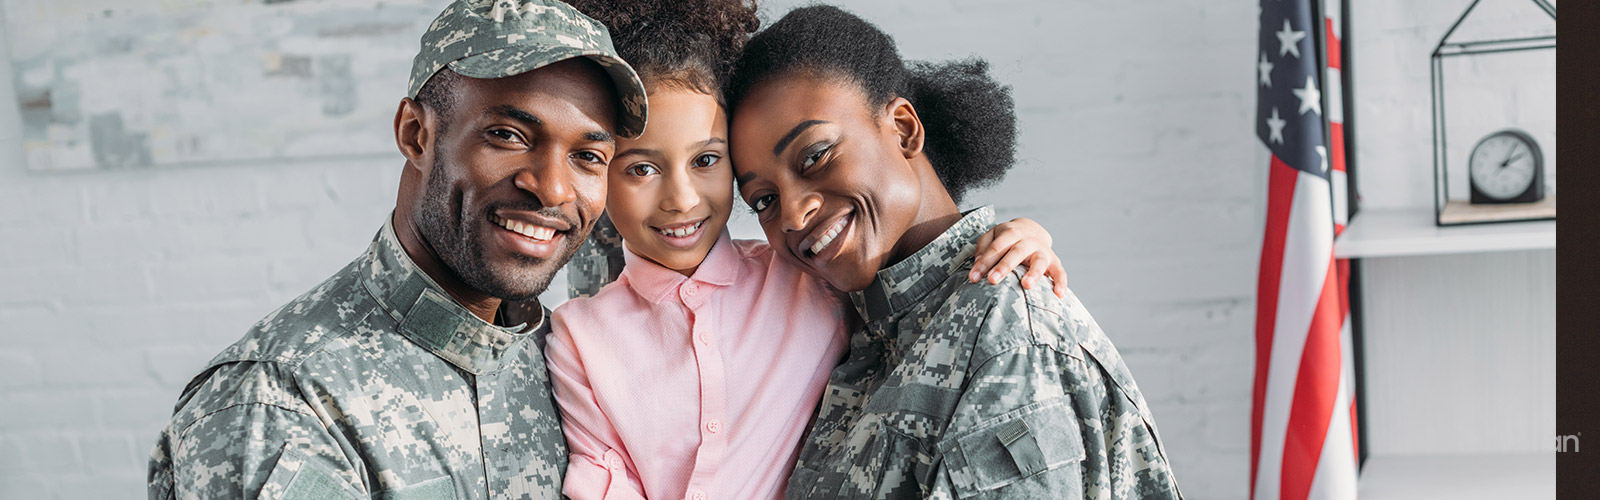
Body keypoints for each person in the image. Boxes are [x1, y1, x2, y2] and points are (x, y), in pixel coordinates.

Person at [544, 2, 1070, 499]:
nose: (681, 199)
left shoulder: (809, 282)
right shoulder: (578, 337)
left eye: (706, 160)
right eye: (641, 168)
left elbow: (918, 268)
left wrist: (1022, 234)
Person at [145, 1, 647, 498]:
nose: (554, 189)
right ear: (415, 134)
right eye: (508, 135)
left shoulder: (569, 365)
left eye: (587, 156)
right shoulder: (284, 400)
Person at [724, 5, 1183, 499]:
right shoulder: (847, 327)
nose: (792, 214)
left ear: (903, 128)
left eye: (814, 156)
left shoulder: (1005, 334)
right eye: (764, 201)